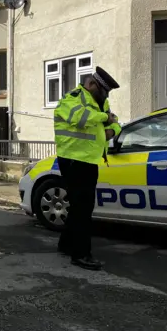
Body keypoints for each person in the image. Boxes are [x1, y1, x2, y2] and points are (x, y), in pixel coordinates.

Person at [54, 67, 121, 271]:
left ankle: (66, 244)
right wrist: (105, 119)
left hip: (89, 160)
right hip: (74, 160)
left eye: (107, 93)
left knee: (78, 206)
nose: (105, 96)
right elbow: (82, 119)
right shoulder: (72, 99)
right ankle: (81, 254)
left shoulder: (99, 102)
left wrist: (111, 127)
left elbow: (115, 126)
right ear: (91, 85)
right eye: (103, 91)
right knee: (83, 208)